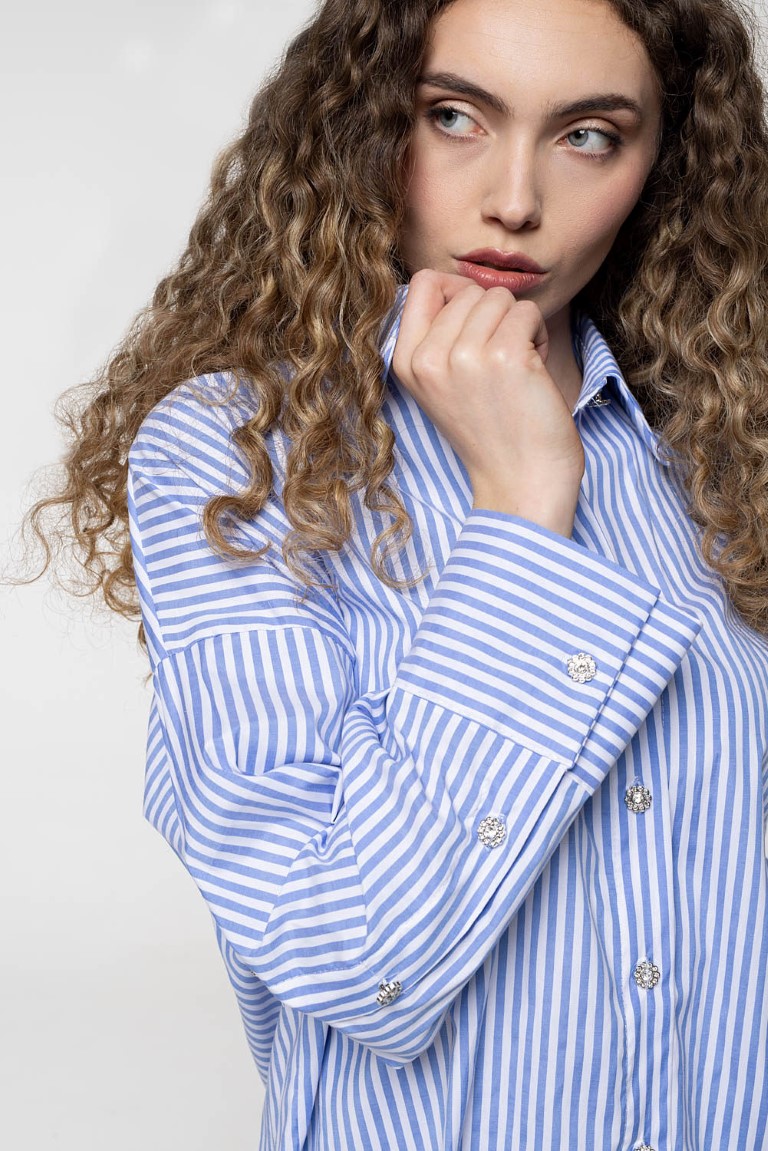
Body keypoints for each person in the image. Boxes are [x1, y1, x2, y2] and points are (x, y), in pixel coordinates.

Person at [23, 0, 768, 1146]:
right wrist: (521, 502)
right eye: (455, 116)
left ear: (661, 162)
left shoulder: (728, 450)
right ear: (367, 123)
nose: (514, 199)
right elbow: (357, 953)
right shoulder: (231, 458)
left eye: (588, 135)